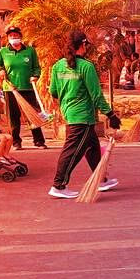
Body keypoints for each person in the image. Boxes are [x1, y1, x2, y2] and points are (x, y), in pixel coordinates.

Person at [48, 30, 121, 199]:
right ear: (83, 45)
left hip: (70, 112)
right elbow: (96, 95)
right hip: (82, 116)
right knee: (72, 151)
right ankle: (58, 185)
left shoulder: (58, 66)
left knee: (92, 147)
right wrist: (111, 114)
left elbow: (53, 92)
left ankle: (101, 180)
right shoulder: (86, 66)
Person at [0, 25, 46, 149]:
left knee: (32, 115)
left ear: (20, 37)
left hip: (27, 87)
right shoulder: (3, 51)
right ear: (8, 38)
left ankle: (39, 141)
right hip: (10, 88)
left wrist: (35, 75)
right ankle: (16, 141)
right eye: (11, 36)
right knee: (13, 116)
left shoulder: (30, 51)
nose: (14, 38)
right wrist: (1, 70)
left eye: (16, 35)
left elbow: (36, 67)